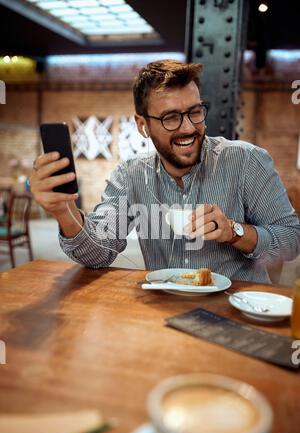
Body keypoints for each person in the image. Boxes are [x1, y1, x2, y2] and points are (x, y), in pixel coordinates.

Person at [29, 60, 300, 282]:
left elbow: (292, 240)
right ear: (142, 125)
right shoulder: (130, 176)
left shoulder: (246, 161)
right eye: (170, 118)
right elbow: (99, 253)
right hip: (164, 314)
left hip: (237, 309)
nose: (188, 128)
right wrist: (64, 211)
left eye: (195, 112)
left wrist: (234, 232)